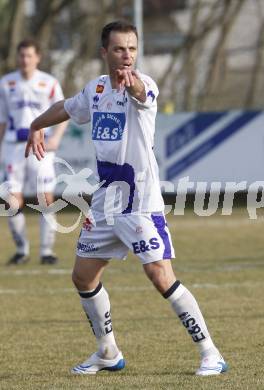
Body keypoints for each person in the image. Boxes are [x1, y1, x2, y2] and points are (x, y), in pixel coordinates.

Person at [25, 21, 228, 375]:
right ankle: (107, 352)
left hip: (140, 202)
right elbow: (68, 107)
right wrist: (36, 125)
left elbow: (139, 94)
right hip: (105, 202)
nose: (127, 56)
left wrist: (130, 82)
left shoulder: (144, 84)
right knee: (83, 277)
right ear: (104, 52)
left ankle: (211, 353)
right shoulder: (96, 88)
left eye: (132, 49)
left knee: (159, 274)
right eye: (119, 49)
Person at [0, 39, 68, 265]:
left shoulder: (49, 82)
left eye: (29, 55)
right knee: (11, 200)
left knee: (45, 198)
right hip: (13, 145)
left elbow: (64, 111)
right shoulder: (6, 83)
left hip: (41, 146)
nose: (25, 60)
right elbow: (2, 120)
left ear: (37, 57)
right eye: (21, 55)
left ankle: (47, 251)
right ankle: (22, 250)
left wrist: (56, 137)